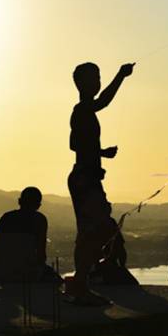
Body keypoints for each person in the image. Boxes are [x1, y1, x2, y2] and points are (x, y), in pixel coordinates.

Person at [66, 61, 134, 304]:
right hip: (85, 178)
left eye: (99, 78)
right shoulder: (83, 109)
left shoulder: (83, 111)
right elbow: (103, 102)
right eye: (95, 78)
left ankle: (81, 282)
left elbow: (76, 145)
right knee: (100, 230)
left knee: (94, 231)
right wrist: (121, 76)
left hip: (85, 176)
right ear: (82, 83)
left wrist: (100, 152)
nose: (98, 82)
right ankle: (81, 282)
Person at [0, 186, 61, 283]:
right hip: (28, 272)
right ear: (38, 205)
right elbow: (41, 254)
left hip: (4, 271)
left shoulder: (5, 218)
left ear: (19, 201)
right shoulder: (39, 220)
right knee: (57, 281)